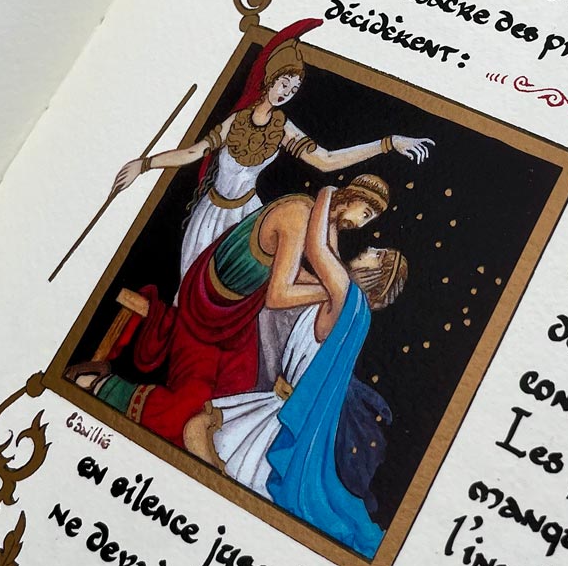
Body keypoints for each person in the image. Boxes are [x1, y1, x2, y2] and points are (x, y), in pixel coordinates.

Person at [74, 175, 392, 460]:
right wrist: (330, 293)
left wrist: (334, 290)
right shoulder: (299, 214)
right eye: (365, 214)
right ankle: (100, 386)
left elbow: (308, 271)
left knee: (236, 392)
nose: (360, 224)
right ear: (353, 198)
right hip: (210, 305)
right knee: (196, 402)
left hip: (239, 313)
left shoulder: (317, 220)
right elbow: (278, 295)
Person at [108, 19, 432, 282]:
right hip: (211, 215)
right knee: (192, 287)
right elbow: (193, 153)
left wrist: (388, 143)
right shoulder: (237, 120)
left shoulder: (282, 127)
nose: (286, 93)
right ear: (269, 79)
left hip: (249, 218)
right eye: (283, 84)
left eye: (293, 89)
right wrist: (144, 164)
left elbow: (326, 160)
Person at [203, 187, 407, 558]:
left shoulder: (345, 294)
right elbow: (324, 258)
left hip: (278, 416)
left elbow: (316, 248)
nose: (367, 248)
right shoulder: (352, 305)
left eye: (376, 254)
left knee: (211, 445)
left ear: (376, 274)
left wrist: (328, 194)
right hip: (280, 401)